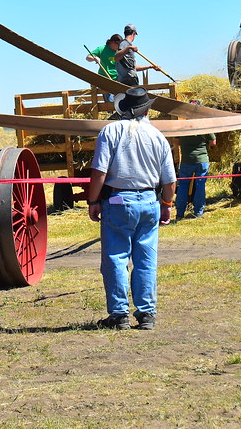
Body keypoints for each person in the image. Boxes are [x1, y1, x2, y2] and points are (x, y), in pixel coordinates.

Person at [87, 87, 176, 330]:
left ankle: (119, 314)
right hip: (149, 200)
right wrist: (167, 205)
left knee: (116, 258)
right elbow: (169, 180)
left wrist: (93, 201)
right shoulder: (158, 136)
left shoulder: (111, 131)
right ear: (147, 109)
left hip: (118, 201)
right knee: (146, 258)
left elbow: (99, 172)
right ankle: (146, 313)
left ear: (123, 109)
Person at [175, 101, 216, 220]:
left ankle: (179, 214)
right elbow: (213, 143)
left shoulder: (182, 126)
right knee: (200, 185)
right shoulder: (204, 125)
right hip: (201, 160)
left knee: (183, 186)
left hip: (186, 160)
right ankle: (198, 212)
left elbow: (176, 141)